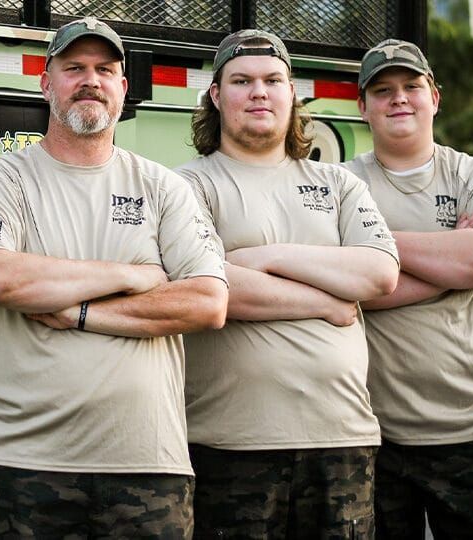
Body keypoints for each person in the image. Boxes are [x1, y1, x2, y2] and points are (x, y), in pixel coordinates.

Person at [0, 16, 229, 537]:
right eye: (74, 67)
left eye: (105, 69)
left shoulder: (164, 187)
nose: (91, 80)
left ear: (122, 88)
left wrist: (83, 313)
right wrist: (133, 274)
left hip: (148, 467)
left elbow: (206, 303)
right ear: (46, 83)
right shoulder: (3, 177)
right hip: (21, 464)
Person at [175, 29, 400, 537]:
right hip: (230, 446)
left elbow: (380, 272)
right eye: (242, 81)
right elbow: (209, 285)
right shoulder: (187, 185)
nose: (259, 92)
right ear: (215, 95)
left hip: (342, 440)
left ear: (292, 92)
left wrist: (267, 256)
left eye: (273, 80)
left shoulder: (338, 183)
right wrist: (327, 300)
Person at [345, 39, 473, 538]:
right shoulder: (341, 186)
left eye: (411, 87)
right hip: (376, 435)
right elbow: (343, 289)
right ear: (362, 106)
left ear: (435, 98)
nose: (398, 98)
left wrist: (374, 250)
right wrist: (453, 258)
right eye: (382, 90)